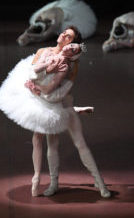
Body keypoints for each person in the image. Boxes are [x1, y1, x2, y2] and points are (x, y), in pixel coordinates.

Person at [30, 26, 111, 198]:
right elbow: (31, 74)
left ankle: (100, 182)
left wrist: (79, 49)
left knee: (80, 143)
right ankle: (53, 183)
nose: (63, 35)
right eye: (64, 32)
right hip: (45, 103)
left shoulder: (71, 63)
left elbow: (62, 91)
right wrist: (39, 88)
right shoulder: (43, 51)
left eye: (69, 37)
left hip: (60, 102)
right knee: (52, 144)